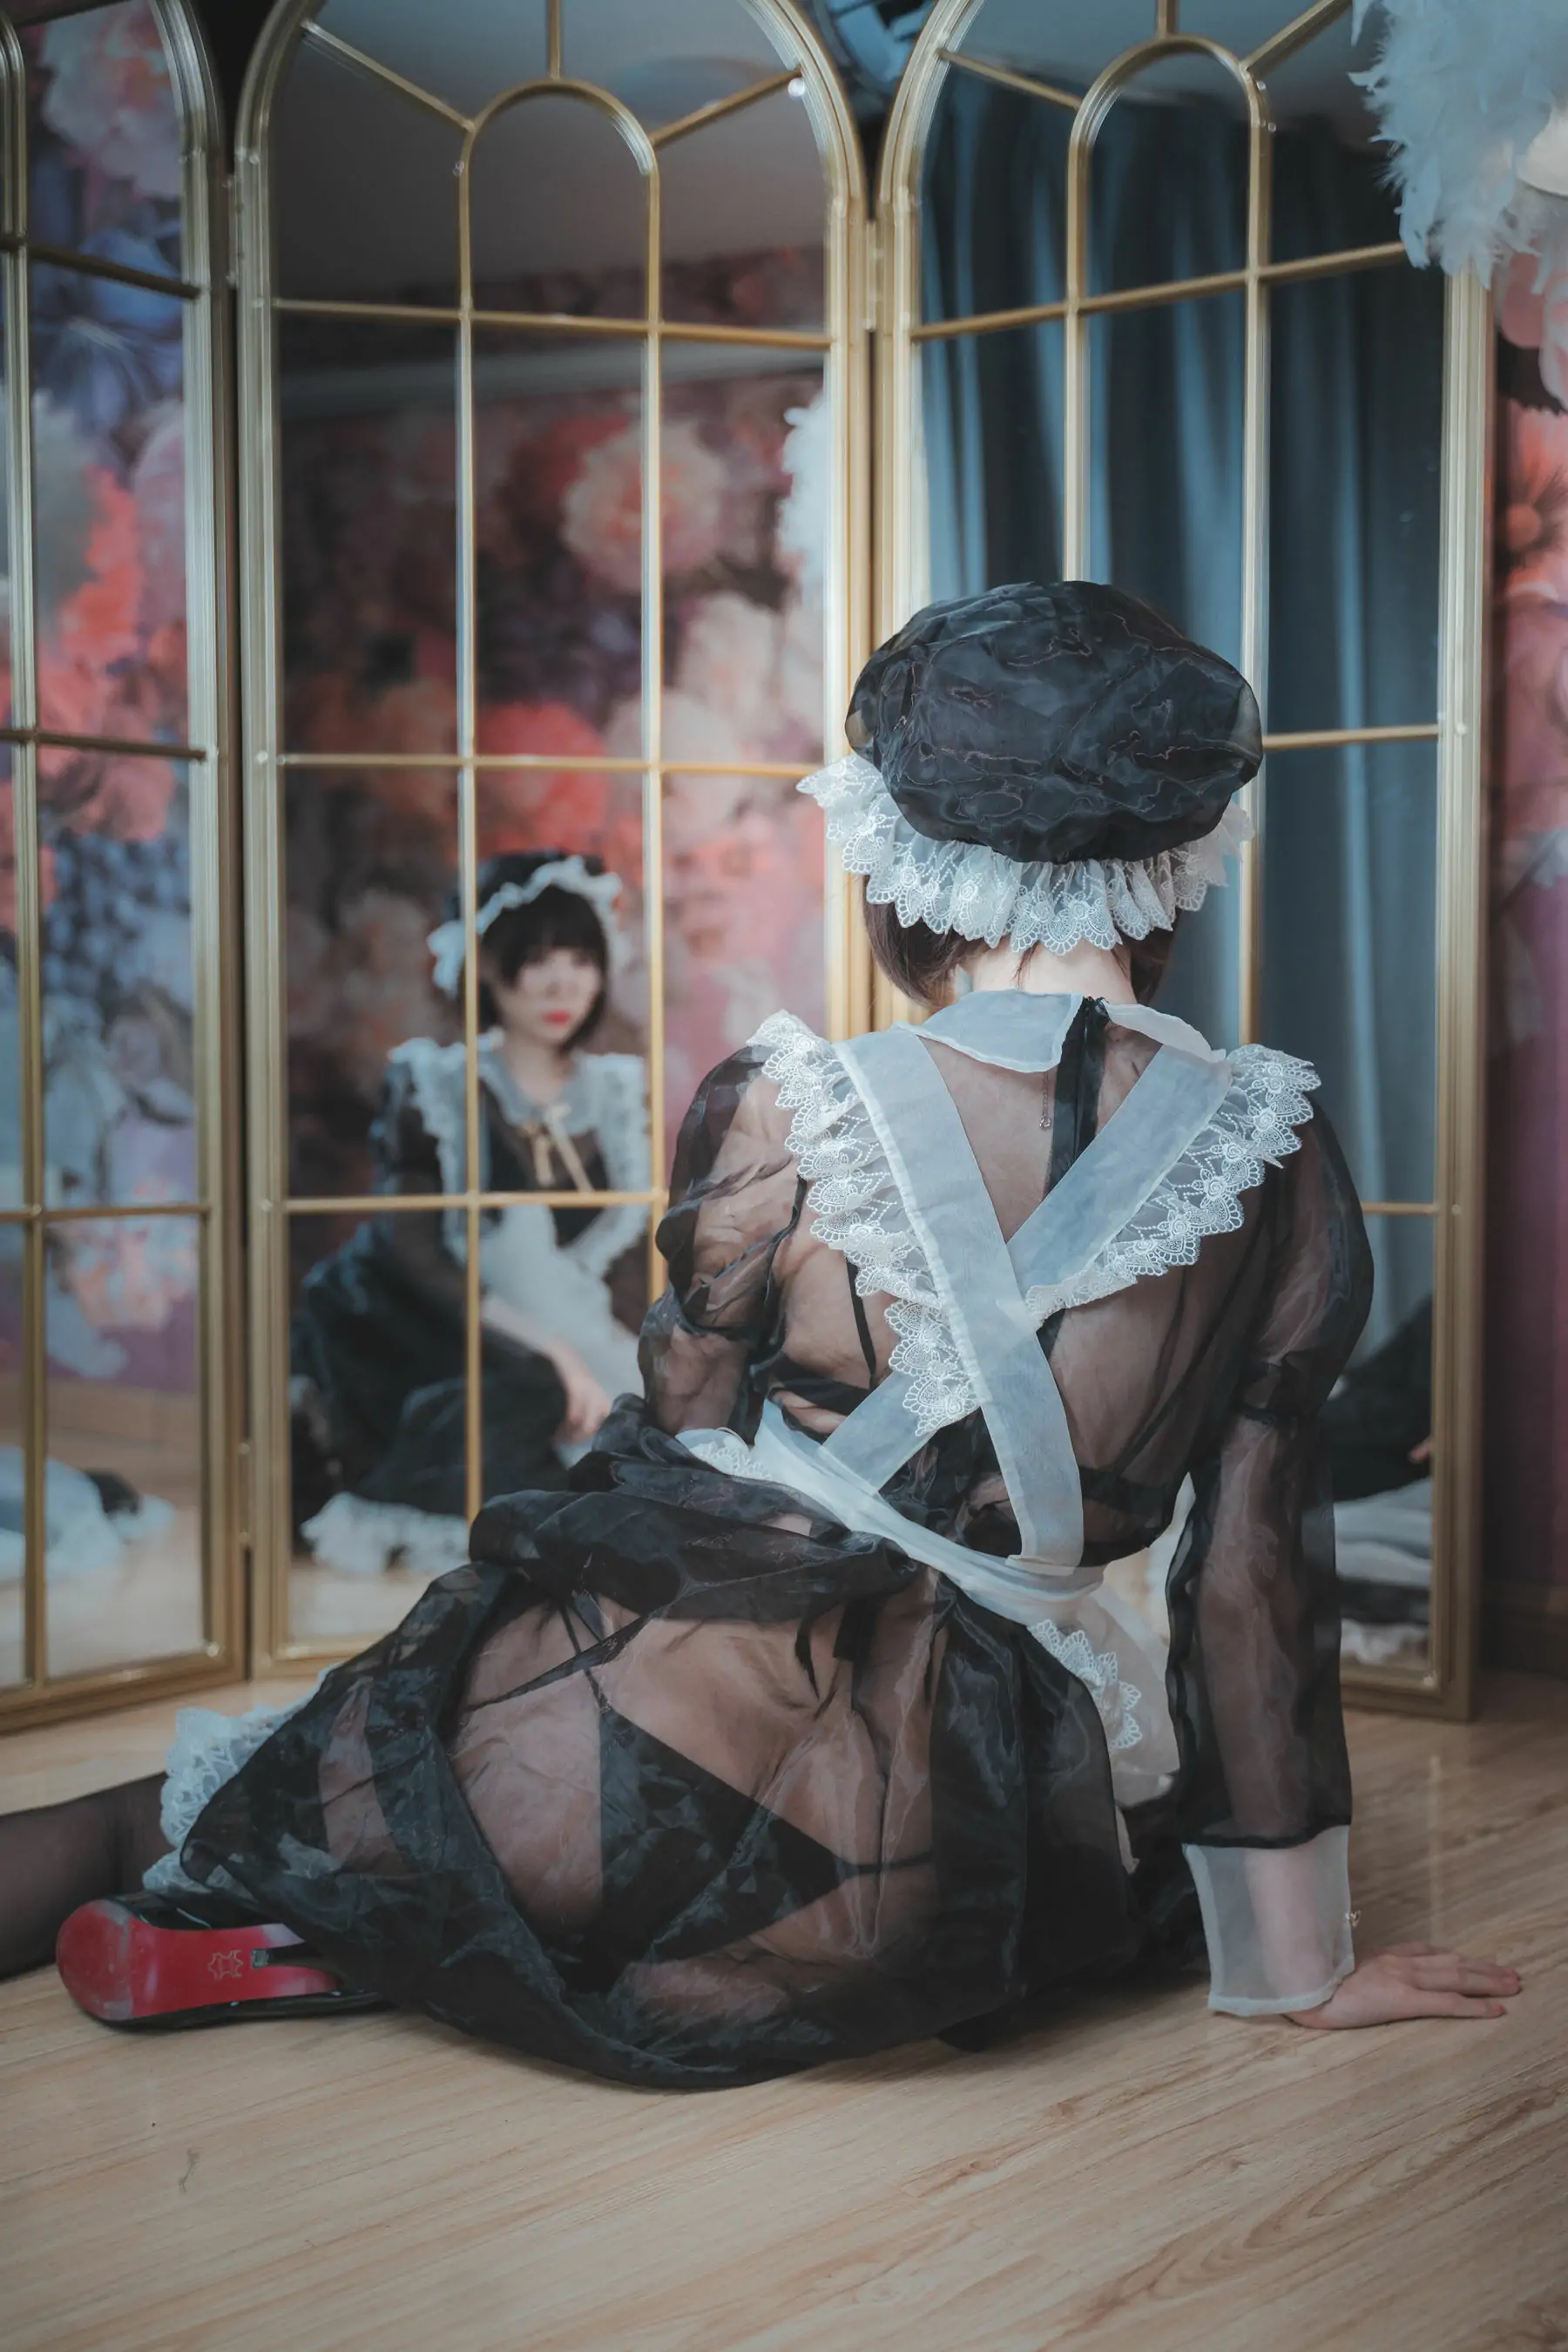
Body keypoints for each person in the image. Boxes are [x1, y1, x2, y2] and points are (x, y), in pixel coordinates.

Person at [0, 584, 1518, 2074]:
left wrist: (485, 1665)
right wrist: (1301, 1965)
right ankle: (429, 1936)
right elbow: (1251, 1580)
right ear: (1169, 866)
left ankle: (330, 1911)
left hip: (686, 1708)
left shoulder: (797, 1103)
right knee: (811, 1924)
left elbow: (676, 1461)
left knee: (259, 1786)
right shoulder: (1272, 1148)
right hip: (964, 1822)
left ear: (904, 859)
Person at [289, 849, 649, 1579]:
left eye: (581, 960)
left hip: (574, 1331)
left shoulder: (613, 1093)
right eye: (536, 959)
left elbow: (624, 1263)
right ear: (485, 965)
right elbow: (416, 1254)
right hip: (438, 1328)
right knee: (543, 1430)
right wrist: (552, 1354)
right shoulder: (437, 1086)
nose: (562, 983)